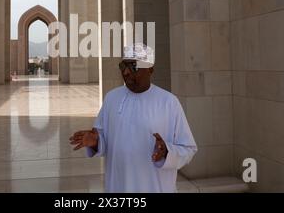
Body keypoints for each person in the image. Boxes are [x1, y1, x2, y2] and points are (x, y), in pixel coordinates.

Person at [69, 43, 197, 193]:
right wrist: (95, 141)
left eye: (133, 66)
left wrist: (167, 152)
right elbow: (104, 140)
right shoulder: (112, 98)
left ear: (150, 69)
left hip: (155, 187)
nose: (126, 72)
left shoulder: (168, 102)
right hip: (118, 186)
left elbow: (188, 149)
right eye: (123, 66)